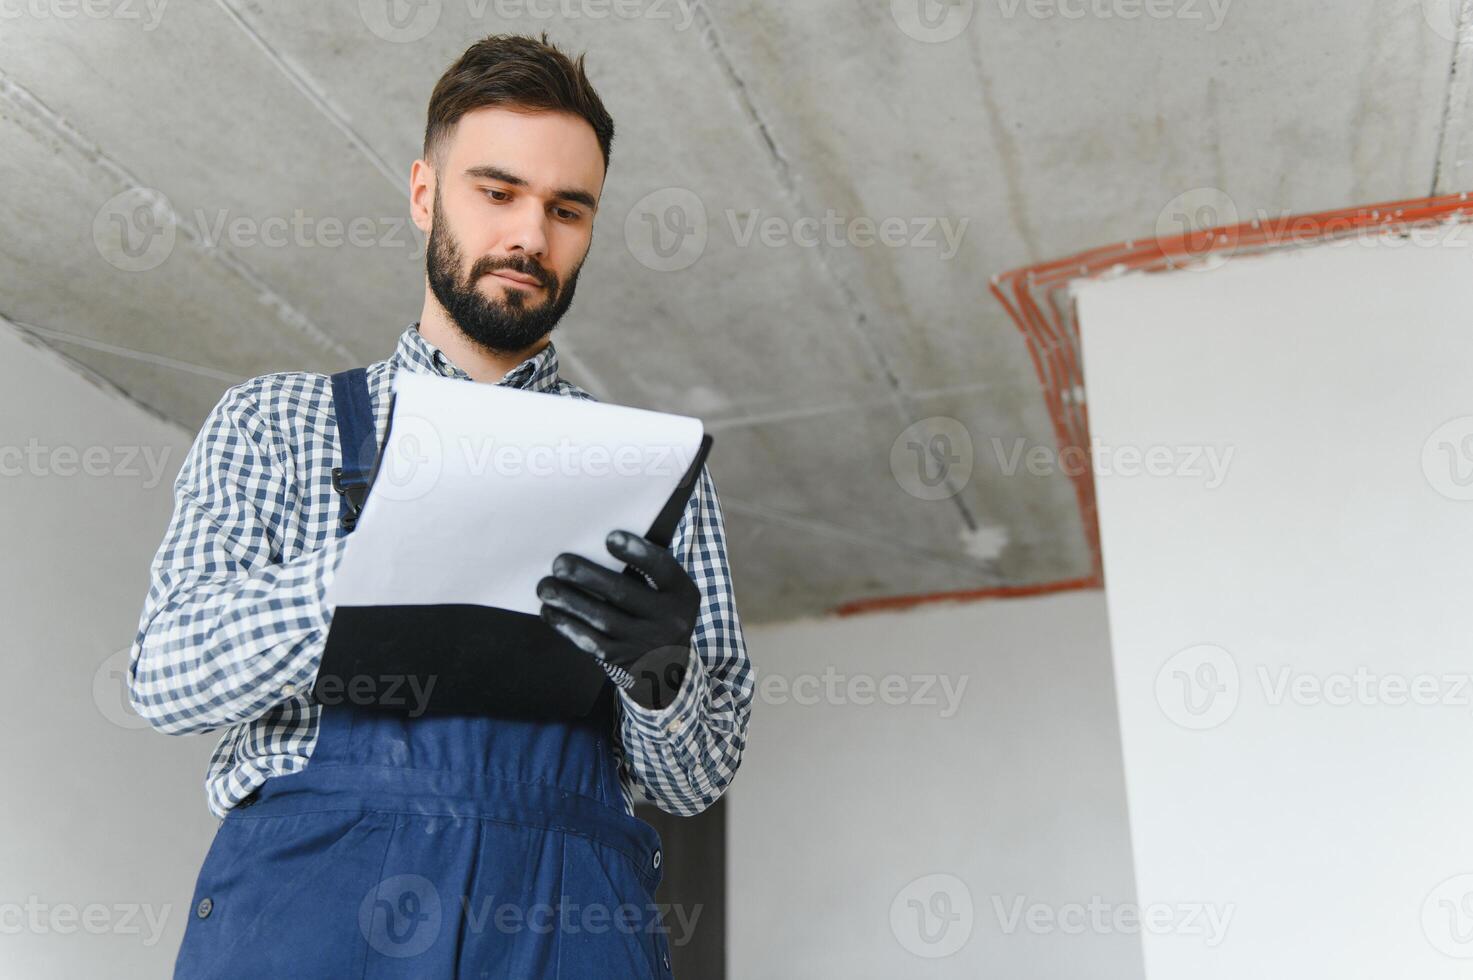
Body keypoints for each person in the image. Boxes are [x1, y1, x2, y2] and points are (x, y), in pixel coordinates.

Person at [127, 32, 752, 978]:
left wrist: (659, 671)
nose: (530, 238)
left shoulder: (653, 474)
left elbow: (698, 776)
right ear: (426, 193)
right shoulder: (273, 422)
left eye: (567, 209)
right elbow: (164, 680)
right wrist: (372, 569)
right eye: (496, 192)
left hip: (567, 918)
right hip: (315, 913)